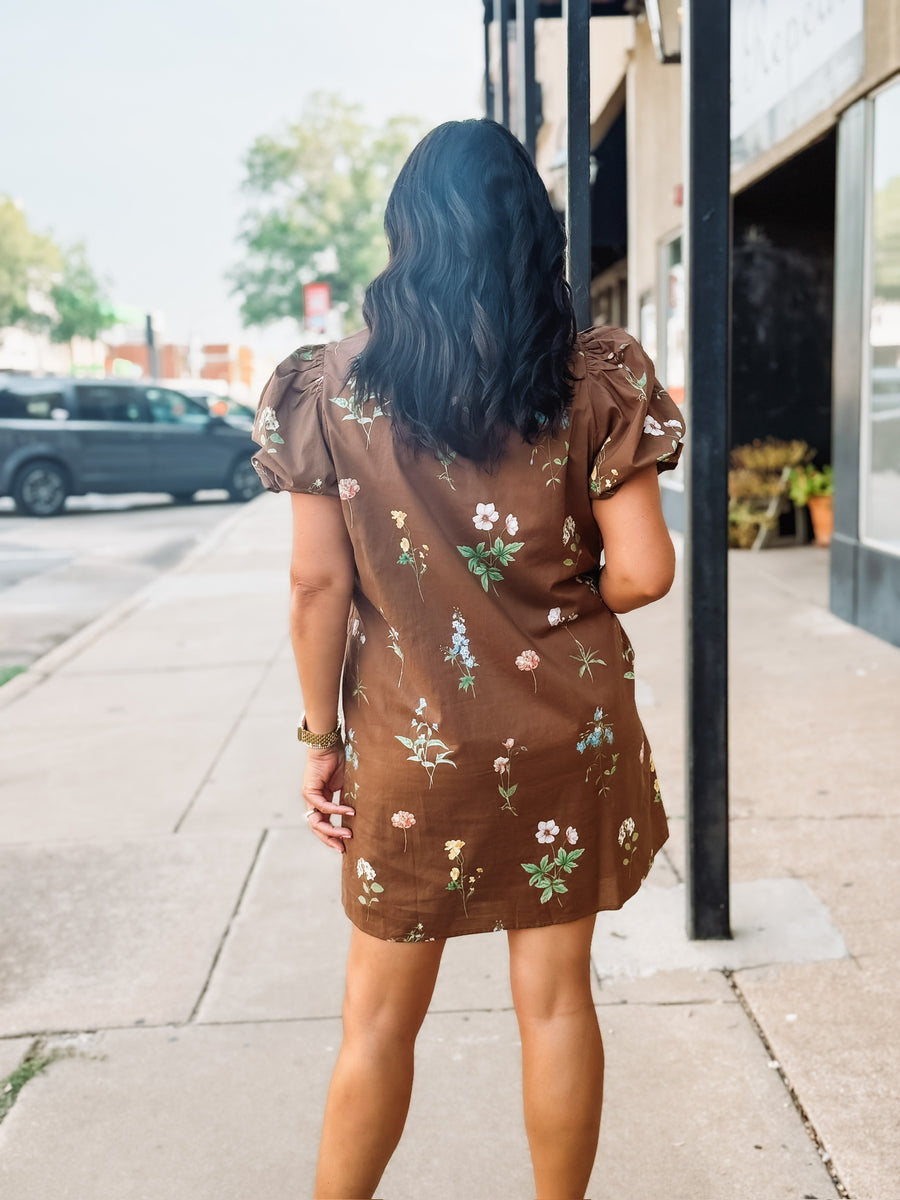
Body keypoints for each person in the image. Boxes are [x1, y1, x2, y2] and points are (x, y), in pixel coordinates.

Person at [251, 118, 685, 1200]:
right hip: (564, 739)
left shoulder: (326, 386)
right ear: (533, 236)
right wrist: (553, 598)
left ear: (408, 236)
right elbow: (644, 572)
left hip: (412, 748)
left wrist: (320, 738)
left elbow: (317, 586)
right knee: (556, 1003)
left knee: (377, 1022)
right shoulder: (600, 373)